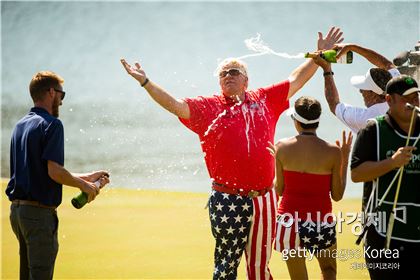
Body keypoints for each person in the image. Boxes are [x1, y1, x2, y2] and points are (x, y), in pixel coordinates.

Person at [121, 27, 343, 280]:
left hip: (264, 200)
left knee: (260, 270)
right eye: (223, 74)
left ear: (246, 80)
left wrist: (319, 56)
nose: (227, 76)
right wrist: (146, 82)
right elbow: (175, 106)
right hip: (227, 199)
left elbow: (295, 80)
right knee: (225, 269)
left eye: (234, 72)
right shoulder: (208, 107)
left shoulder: (263, 99)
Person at [6, 71, 110, 280]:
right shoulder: (52, 125)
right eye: (62, 95)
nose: (61, 102)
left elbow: (43, 171)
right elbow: (54, 172)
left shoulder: (20, 125)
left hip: (18, 214)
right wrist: (85, 187)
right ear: (52, 92)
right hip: (38, 216)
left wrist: (87, 177)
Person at [272, 96, 352, 280]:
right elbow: (337, 195)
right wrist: (345, 158)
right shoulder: (333, 151)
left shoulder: (281, 147)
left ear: (296, 121)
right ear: (317, 120)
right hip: (320, 220)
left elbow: (279, 189)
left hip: (288, 222)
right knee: (329, 271)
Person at [351, 75, 420, 279]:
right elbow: (356, 174)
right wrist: (392, 163)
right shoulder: (373, 129)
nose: (414, 102)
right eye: (407, 98)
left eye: (416, 97)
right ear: (389, 100)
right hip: (383, 234)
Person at [319, 43, 400, 134]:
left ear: (374, 94)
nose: (360, 91)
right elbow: (387, 64)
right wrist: (352, 47)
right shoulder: (400, 91)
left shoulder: (367, 118)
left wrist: (327, 69)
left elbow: (333, 104)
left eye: (363, 89)